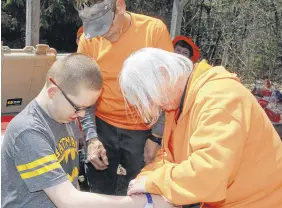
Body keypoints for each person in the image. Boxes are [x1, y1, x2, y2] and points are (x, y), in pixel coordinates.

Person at [1, 53, 174, 208]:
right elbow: (67, 200)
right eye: (79, 108)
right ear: (53, 92)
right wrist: (144, 202)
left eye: (88, 108)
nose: (82, 114)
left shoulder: (64, 116)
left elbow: (69, 180)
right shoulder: (28, 132)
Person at [119, 48, 282, 207]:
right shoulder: (177, 102)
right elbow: (169, 156)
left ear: (164, 74)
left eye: (149, 96)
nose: (155, 105)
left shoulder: (219, 99)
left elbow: (209, 174)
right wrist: (145, 178)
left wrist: (153, 182)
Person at [75, 0, 173, 195]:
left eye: (106, 26)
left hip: (143, 129)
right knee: (99, 190)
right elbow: (83, 95)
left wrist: (156, 136)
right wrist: (92, 138)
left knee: (146, 190)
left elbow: (168, 89)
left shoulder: (153, 31)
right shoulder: (89, 41)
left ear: (120, 5)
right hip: (103, 126)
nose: (102, 34)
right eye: (95, 28)